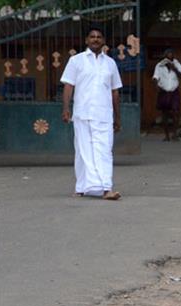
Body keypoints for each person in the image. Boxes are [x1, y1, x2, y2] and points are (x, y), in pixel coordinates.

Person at [61, 27, 122, 200]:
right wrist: (66, 109)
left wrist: (117, 117)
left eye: (99, 37)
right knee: (83, 151)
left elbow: (115, 91)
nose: (95, 39)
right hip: (82, 113)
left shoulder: (110, 63)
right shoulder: (76, 61)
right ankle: (81, 187)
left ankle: (106, 188)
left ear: (103, 41)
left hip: (104, 115)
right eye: (92, 37)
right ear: (86, 40)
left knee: (104, 151)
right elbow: (68, 85)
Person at [152, 48, 181, 141]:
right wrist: (155, 84)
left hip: (174, 91)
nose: (169, 56)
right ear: (164, 56)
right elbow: (155, 77)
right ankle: (166, 135)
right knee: (164, 114)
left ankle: (174, 134)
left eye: (171, 54)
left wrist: (174, 68)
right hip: (163, 91)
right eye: (167, 55)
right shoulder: (159, 65)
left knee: (176, 112)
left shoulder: (177, 64)